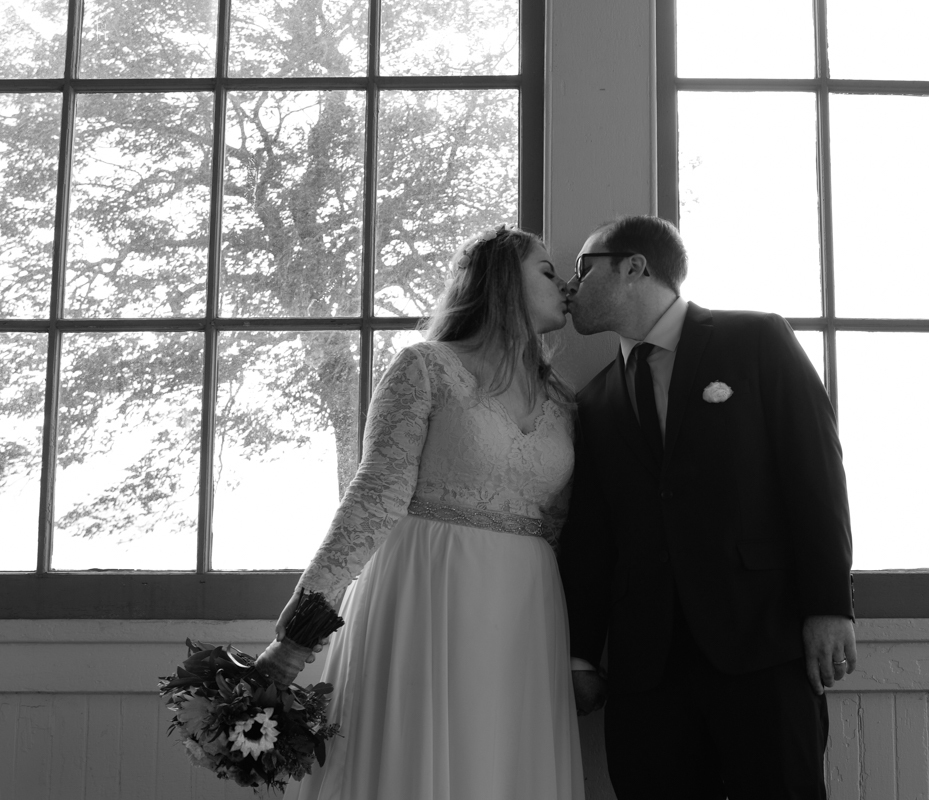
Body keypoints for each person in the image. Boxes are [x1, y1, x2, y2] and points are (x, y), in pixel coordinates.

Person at [259, 224, 585, 800]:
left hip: (527, 606)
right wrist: (299, 632)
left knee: (502, 760)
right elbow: (374, 495)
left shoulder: (562, 400)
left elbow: (563, 525)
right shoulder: (425, 368)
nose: (565, 285)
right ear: (503, 281)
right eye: (547, 270)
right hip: (426, 587)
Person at [559, 215, 855, 799]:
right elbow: (593, 535)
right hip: (647, 670)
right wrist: (581, 655)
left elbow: (816, 474)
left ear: (634, 267)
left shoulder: (757, 340)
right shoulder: (594, 400)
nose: (571, 286)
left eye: (583, 268)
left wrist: (828, 605)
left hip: (762, 645)